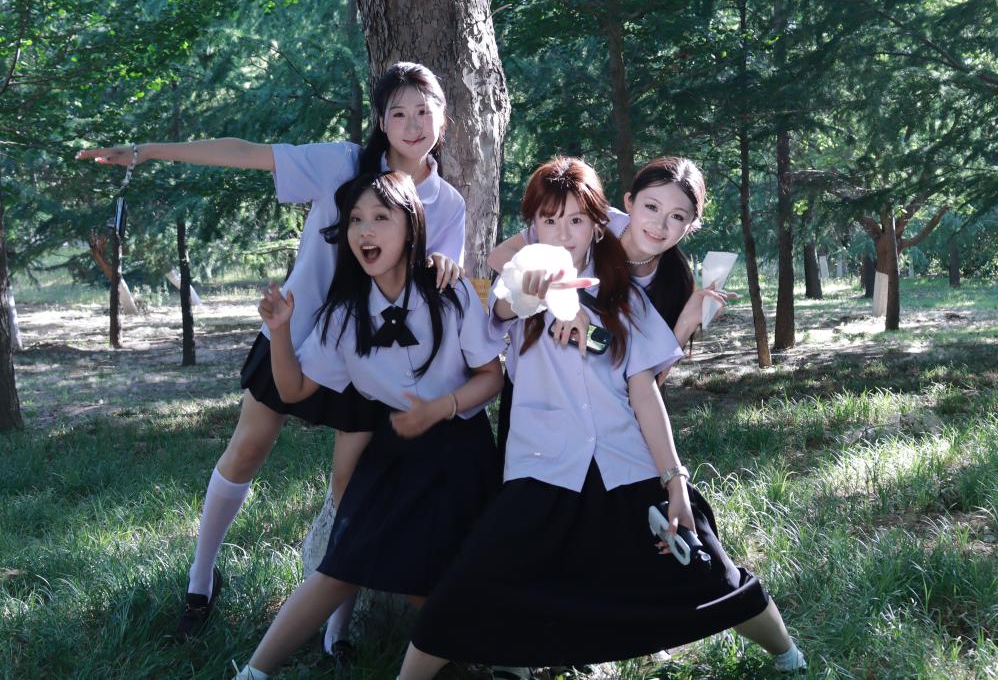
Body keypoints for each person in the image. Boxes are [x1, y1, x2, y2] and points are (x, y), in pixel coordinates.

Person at [77, 63, 465, 647]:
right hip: (293, 330)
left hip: (367, 358)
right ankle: (200, 581)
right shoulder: (342, 164)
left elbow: (435, 286)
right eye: (399, 113)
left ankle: (337, 630)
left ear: (444, 117)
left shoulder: (448, 202)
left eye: (424, 111)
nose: (413, 125)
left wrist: (447, 266)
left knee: (348, 484)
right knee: (248, 448)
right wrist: (147, 151)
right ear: (382, 123)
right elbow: (247, 152)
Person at [397, 157, 807, 678]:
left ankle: (790, 658)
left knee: (709, 571)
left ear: (599, 225)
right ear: (533, 227)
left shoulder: (630, 299)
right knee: (467, 586)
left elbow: (645, 393)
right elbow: (500, 312)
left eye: (575, 220)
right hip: (543, 467)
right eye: (549, 220)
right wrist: (536, 298)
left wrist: (675, 481)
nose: (562, 232)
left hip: (625, 462)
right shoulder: (524, 276)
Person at [230, 171, 504, 680]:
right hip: (393, 447)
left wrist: (440, 407)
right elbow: (293, 389)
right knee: (341, 566)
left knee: (438, 579)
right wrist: (280, 331)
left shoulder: (452, 294)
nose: (365, 231)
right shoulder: (344, 315)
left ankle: (495, 659)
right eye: (356, 220)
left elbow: (492, 376)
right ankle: (252, 673)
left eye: (381, 217)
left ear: (412, 226)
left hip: (459, 451)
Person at [488, 156, 726, 360]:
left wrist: (686, 323)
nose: (659, 224)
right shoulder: (588, 222)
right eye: (652, 207)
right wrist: (560, 297)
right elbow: (499, 256)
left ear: (690, 226)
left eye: (677, 216)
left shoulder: (676, 282)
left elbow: (651, 376)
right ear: (629, 202)